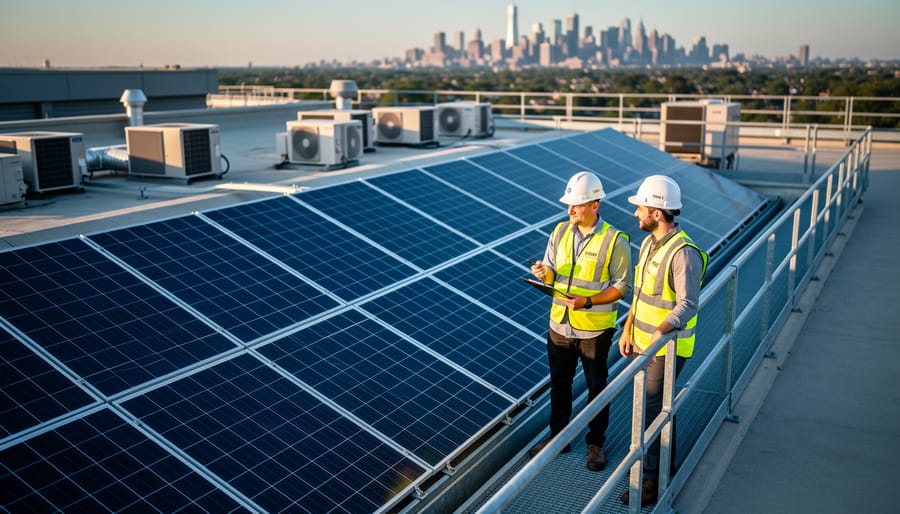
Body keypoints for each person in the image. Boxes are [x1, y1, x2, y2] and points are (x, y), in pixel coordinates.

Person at [529, 171, 631, 471]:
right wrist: (543, 273)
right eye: (569, 204)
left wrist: (587, 301)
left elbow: (622, 286)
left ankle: (595, 444)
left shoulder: (615, 240)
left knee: (596, 385)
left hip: (594, 329)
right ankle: (558, 436)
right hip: (559, 324)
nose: (570, 209)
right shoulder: (559, 231)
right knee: (559, 384)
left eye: (577, 204)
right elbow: (551, 269)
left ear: (595, 205)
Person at [618, 175, 708, 507]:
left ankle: (652, 480)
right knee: (657, 407)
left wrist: (659, 334)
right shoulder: (649, 244)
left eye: (641, 207)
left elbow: (688, 304)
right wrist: (627, 328)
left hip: (666, 348)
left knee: (651, 411)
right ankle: (665, 464)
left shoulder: (683, 253)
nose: (637, 213)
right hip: (645, 344)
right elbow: (642, 294)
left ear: (657, 212)